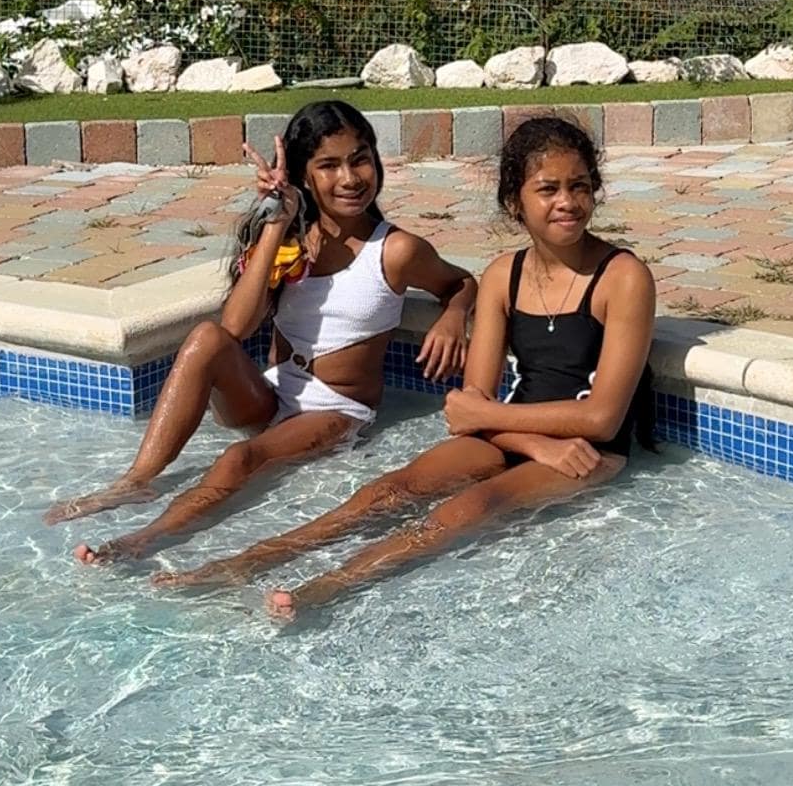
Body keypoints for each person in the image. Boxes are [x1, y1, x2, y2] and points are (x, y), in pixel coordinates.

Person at [154, 114, 656, 615]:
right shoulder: (504, 274)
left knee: (473, 506)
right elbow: (469, 406)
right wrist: (527, 439)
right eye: (548, 189)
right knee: (385, 492)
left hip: (587, 451)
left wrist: (489, 419)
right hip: (518, 435)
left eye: (579, 186)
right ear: (514, 201)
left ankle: (327, 589)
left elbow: (601, 419)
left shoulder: (623, 277)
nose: (567, 201)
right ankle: (243, 563)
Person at [45, 100, 477, 564]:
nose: (350, 178)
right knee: (206, 337)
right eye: (328, 165)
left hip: (334, 410)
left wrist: (453, 316)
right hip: (270, 394)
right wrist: (276, 223)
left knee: (240, 458)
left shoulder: (395, 250)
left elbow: (461, 282)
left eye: (360, 159)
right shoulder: (292, 240)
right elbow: (235, 327)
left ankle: (145, 540)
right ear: (303, 175)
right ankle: (137, 480)